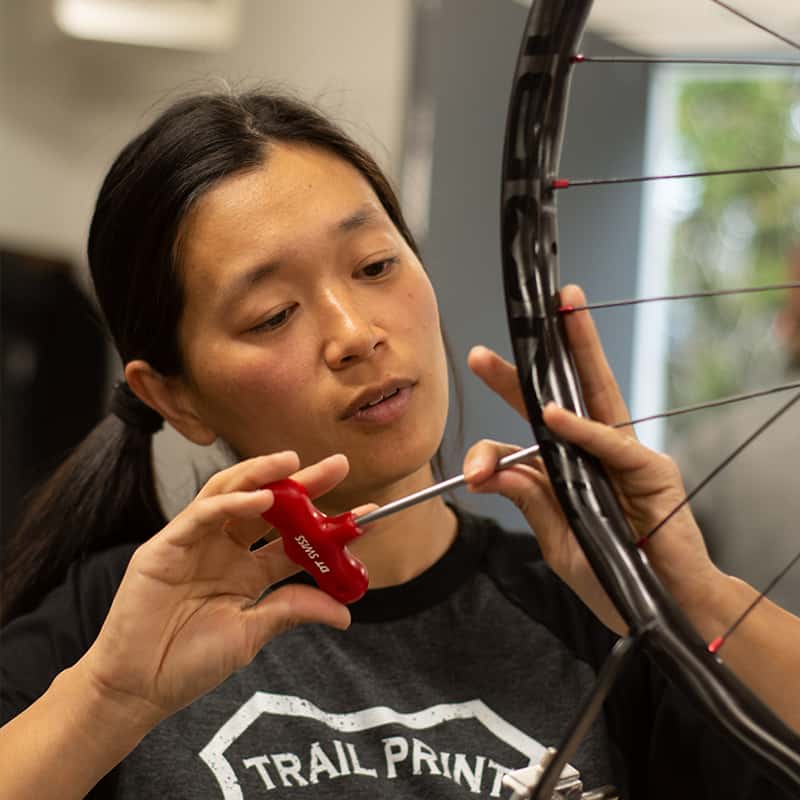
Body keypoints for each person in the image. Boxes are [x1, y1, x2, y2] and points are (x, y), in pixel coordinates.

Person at [0, 90, 798, 800]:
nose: (355, 334)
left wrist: (689, 598)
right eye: (273, 315)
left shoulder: (592, 609)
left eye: (377, 264)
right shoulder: (117, 624)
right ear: (172, 395)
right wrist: (113, 699)